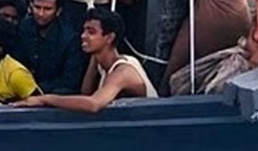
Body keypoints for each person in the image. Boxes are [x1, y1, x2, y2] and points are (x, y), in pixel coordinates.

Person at [15, 7, 157, 112]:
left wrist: (44, 99)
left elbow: (93, 104)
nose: (83, 36)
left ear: (109, 37)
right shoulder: (100, 60)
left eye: (91, 32)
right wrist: (94, 60)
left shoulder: (123, 72)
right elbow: (86, 93)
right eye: (84, 30)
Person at [16, 0, 86, 94]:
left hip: (53, 95)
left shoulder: (70, 39)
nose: (41, 13)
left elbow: (70, 80)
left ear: (58, 11)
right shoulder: (24, 27)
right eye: (37, 7)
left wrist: (37, 90)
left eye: (47, 9)